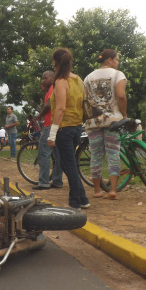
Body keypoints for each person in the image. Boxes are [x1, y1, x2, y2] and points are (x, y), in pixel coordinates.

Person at [47, 48, 90, 209]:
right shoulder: (78, 79)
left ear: (55, 63)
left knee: (68, 164)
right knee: (67, 163)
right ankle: (82, 199)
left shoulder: (60, 82)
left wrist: (52, 133)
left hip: (64, 128)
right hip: (77, 127)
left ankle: (76, 202)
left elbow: (60, 108)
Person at [83, 49, 127, 199]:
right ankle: (113, 190)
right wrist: (124, 114)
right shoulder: (117, 75)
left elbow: (86, 100)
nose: (118, 62)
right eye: (116, 59)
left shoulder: (88, 77)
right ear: (109, 60)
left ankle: (97, 191)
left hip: (93, 121)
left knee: (96, 155)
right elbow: (121, 96)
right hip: (112, 120)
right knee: (113, 153)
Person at [32, 70, 63, 191]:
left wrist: (40, 115)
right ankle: (57, 180)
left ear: (53, 77)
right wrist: (43, 90)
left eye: (46, 78)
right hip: (56, 124)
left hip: (49, 124)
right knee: (57, 155)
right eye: (42, 78)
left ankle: (44, 182)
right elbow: (47, 102)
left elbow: (48, 105)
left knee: (43, 153)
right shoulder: (52, 89)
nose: (43, 80)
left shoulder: (53, 87)